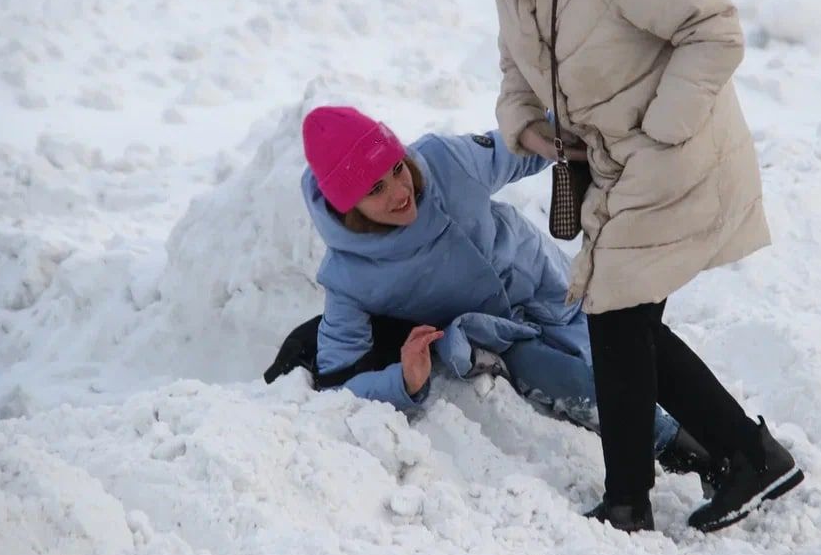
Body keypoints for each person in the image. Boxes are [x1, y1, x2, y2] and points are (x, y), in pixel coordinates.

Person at [424, 0, 804, 533]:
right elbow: (517, 71)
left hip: (673, 156)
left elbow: (713, 28)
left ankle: (641, 494)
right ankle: (741, 455)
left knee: (615, 315)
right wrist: (530, 132)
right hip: (614, 167)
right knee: (623, 322)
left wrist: (661, 127)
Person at [299, 105, 718, 486]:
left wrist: (583, 121)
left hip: (548, 283)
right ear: (347, 207)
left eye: (395, 168)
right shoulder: (347, 276)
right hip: (499, 335)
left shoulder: (445, 163)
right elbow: (338, 384)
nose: (399, 190)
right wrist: (403, 380)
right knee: (575, 381)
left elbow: (520, 147)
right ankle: (682, 452)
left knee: (629, 347)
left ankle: (729, 439)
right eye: (374, 189)